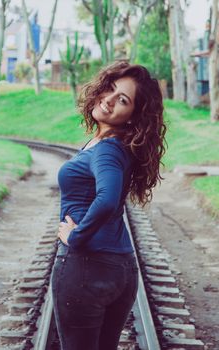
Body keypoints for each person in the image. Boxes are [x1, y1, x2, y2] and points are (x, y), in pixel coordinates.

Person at [51, 60, 166, 350]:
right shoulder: (111, 145)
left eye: (123, 100)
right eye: (110, 89)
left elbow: (107, 199)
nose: (109, 100)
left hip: (87, 266)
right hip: (120, 268)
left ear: (132, 116)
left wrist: (75, 237)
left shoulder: (107, 150)